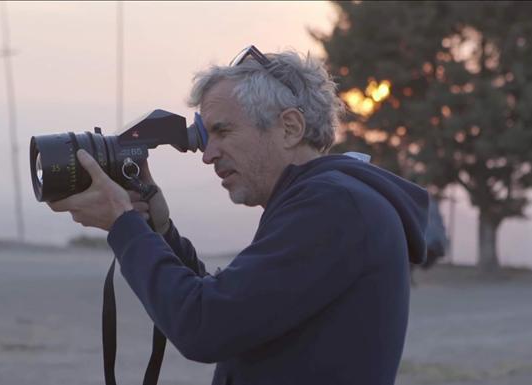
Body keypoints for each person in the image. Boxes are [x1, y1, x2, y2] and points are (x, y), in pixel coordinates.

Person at [49, 45, 429, 385]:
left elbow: (204, 326)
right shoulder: (324, 201)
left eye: (223, 131)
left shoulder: (335, 208)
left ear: (290, 128)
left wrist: (122, 224)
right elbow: (232, 309)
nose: (208, 154)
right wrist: (158, 229)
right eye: (205, 136)